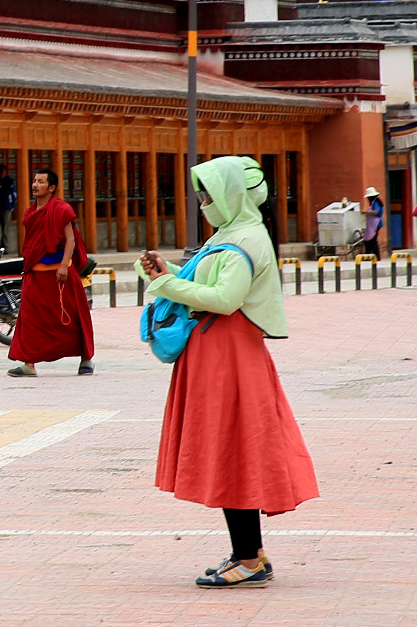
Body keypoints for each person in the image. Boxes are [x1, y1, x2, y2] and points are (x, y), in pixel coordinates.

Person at [137, 155, 319, 588]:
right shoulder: (234, 233)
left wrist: (165, 285)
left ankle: (248, 560)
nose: (203, 202)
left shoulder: (245, 239)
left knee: (234, 450)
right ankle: (250, 553)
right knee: (231, 449)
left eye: (208, 194)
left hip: (228, 358)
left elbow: (224, 298)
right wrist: (172, 273)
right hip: (222, 355)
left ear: (231, 194)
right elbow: (213, 284)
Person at [7, 167, 95, 377]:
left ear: (52, 187)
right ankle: (29, 364)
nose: (35, 185)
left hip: (59, 276)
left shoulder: (61, 209)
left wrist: (65, 264)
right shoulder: (31, 212)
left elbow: (70, 239)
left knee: (73, 317)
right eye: (34, 181)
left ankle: (86, 359)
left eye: (41, 182)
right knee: (30, 319)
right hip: (36, 275)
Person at [0, 165, 18, 244]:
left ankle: (4, 246)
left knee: (5, 229)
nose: (0, 173)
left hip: (6, 207)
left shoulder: (9, 181)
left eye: (2, 171)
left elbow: (8, 192)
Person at [359, 186, 385, 257]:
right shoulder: (377, 202)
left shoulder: (375, 203)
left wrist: (365, 212)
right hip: (374, 224)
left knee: (372, 241)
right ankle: (369, 255)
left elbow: (375, 212)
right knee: (369, 240)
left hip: (376, 224)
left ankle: (376, 256)